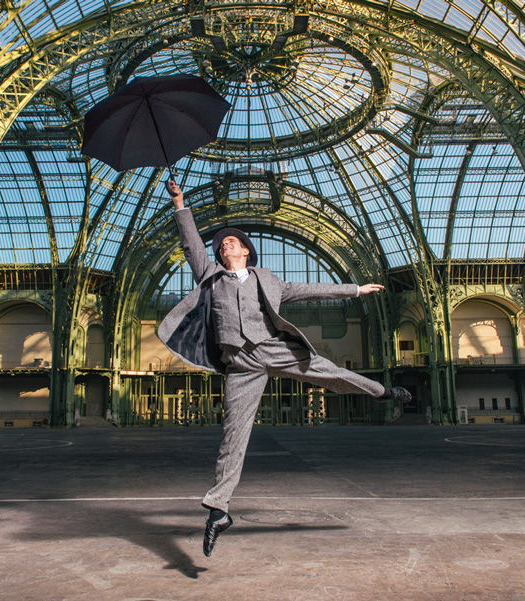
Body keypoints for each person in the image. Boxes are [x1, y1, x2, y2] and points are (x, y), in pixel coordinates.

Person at [158, 181, 411, 557]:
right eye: (221, 244)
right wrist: (180, 203)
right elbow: (192, 242)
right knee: (233, 436)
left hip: (274, 349)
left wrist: (354, 290)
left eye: (231, 242)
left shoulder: (269, 280)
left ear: (246, 251)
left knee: (330, 372)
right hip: (240, 365)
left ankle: (383, 392)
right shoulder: (209, 276)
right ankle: (218, 509)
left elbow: (310, 288)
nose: (224, 245)